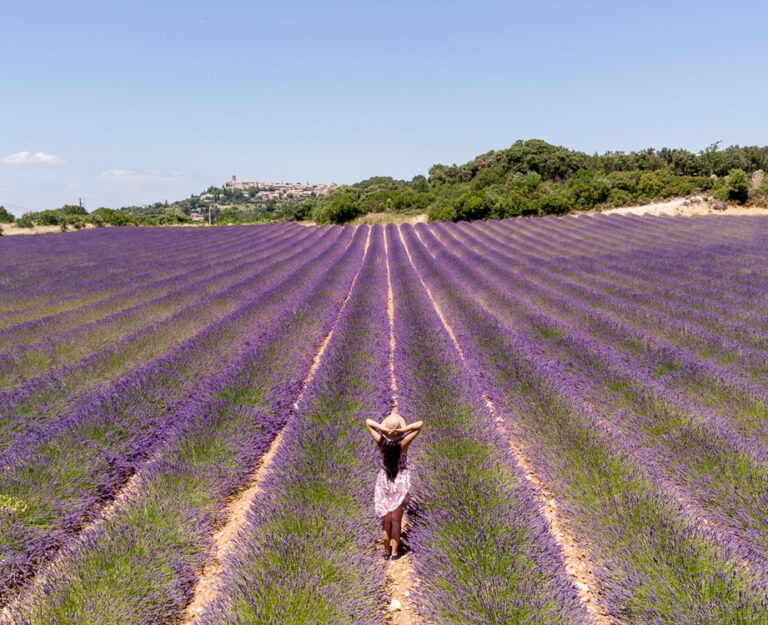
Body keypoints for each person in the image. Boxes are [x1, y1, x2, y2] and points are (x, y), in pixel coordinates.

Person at [366, 413, 423, 560]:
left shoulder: (381, 442)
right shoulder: (404, 443)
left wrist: (383, 429)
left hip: (384, 481)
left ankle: (386, 552)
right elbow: (419, 425)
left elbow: (368, 422)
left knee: (386, 521)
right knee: (396, 520)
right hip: (399, 481)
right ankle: (395, 553)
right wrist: (402, 432)